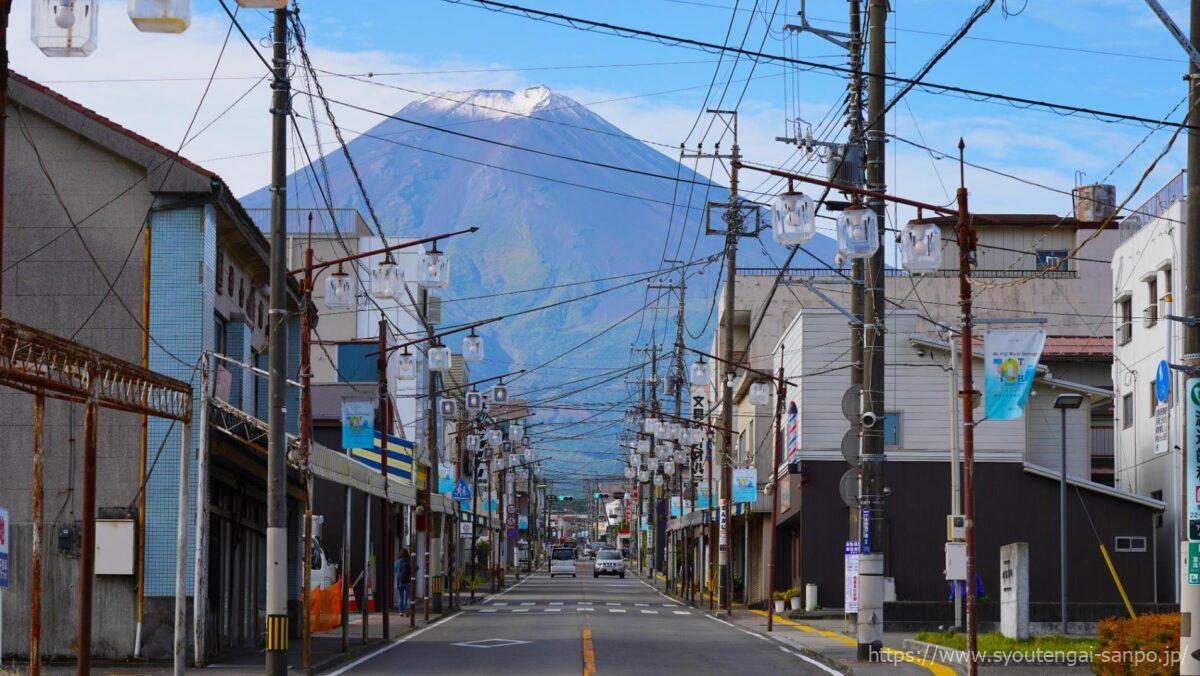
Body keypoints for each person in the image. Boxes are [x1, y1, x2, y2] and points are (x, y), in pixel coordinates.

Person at [395, 548, 412, 614]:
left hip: (400, 581)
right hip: (408, 581)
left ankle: (401, 612)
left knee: (400, 597)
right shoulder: (410, 561)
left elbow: (395, 570)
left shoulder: (397, 562)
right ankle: (408, 607)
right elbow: (416, 567)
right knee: (408, 596)